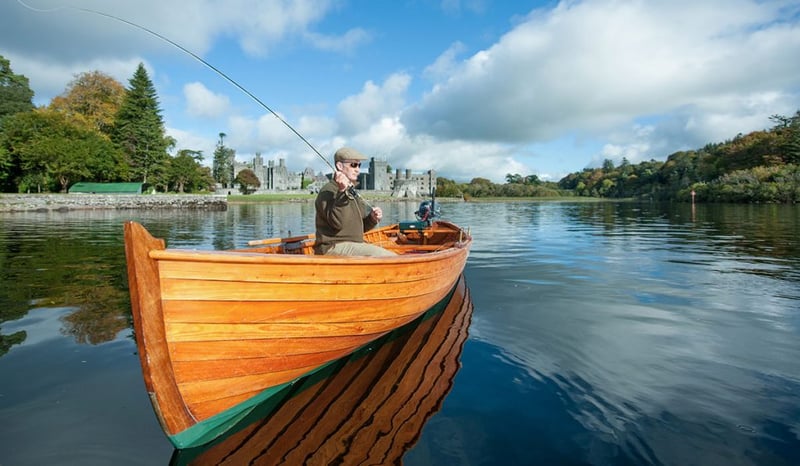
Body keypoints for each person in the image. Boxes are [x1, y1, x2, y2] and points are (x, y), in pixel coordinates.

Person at [314, 147, 395, 256]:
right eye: (353, 165)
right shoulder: (327, 191)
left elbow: (358, 227)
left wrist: (372, 218)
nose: (357, 169)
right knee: (388, 257)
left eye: (359, 165)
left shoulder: (352, 192)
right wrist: (342, 192)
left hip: (354, 244)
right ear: (339, 166)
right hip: (332, 247)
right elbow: (338, 223)